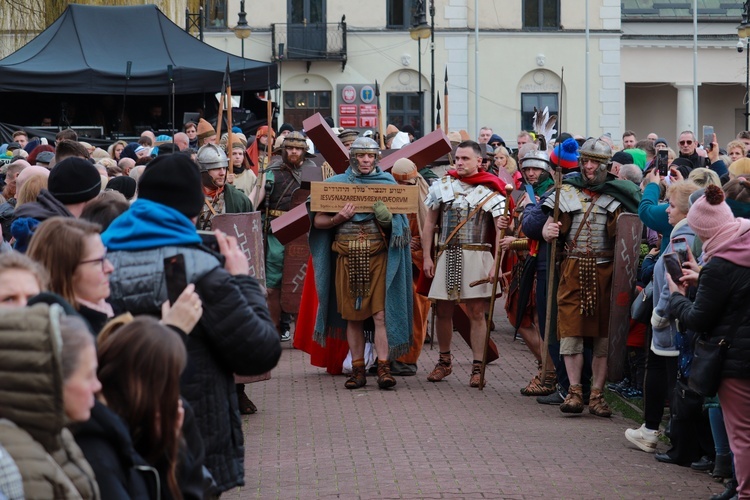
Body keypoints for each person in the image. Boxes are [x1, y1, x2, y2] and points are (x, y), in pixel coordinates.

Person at [101, 153, 281, 494]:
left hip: (119, 422)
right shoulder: (201, 268)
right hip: (190, 428)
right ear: (193, 206)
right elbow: (259, 351)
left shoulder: (98, 258)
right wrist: (243, 280)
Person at [541, 138, 641, 416]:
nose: (587, 166)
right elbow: (547, 225)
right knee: (570, 331)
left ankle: (597, 394)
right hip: (572, 270)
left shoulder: (621, 194)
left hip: (607, 271)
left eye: (593, 162)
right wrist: (547, 232)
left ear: (606, 165)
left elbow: (632, 234)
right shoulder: (565, 191)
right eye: (584, 161)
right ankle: (575, 392)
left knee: (603, 336)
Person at [308, 136, 413, 389]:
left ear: (376, 158)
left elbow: (400, 228)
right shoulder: (334, 185)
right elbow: (318, 222)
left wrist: (387, 219)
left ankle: (384, 368)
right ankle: (358, 370)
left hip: (377, 257)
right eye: (361, 156)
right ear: (353, 157)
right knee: (353, 317)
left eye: (370, 156)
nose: (366, 160)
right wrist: (338, 218)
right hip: (346, 258)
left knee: (380, 315)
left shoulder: (387, 183)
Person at [667, 184, 750, 498]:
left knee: (741, 434)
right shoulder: (742, 243)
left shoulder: (720, 265)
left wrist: (677, 299)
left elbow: (698, 319)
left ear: (703, 231)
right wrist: (703, 276)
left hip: (736, 360)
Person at [76, 313, 209, 500]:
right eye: (170, 383)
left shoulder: (149, 423)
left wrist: (168, 445)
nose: (173, 395)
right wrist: (169, 448)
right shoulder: (100, 448)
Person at [422, 140, 507, 387]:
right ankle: (444, 362)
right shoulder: (442, 186)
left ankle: (478, 367)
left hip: (478, 254)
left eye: (465, 158)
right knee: (443, 310)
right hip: (447, 254)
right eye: (457, 158)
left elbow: (500, 230)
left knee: (477, 312)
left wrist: (497, 264)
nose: (459, 162)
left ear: (479, 161)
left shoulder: (493, 189)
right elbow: (430, 224)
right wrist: (428, 256)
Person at [0, 307, 100, 499]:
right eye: (88, 376)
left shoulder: (58, 435)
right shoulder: (20, 465)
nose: (97, 385)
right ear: (53, 381)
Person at [498, 150, 556, 396]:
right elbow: (519, 227)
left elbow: (544, 237)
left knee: (540, 321)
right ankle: (545, 368)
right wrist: (507, 225)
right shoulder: (522, 193)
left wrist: (516, 242)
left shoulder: (552, 194)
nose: (531, 173)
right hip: (523, 265)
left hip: (540, 263)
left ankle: (548, 373)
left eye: (537, 169)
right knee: (518, 317)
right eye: (528, 168)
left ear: (546, 170)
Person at [255, 132, 318, 342]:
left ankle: (303, 333)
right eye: (290, 148)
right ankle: (273, 330)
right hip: (277, 234)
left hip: (304, 234)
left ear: (304, 152)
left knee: (301, 283)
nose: (293, 152)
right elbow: (254, 202)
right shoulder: (271, 171)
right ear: (283, 151)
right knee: (273, 285)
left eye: (298, 149)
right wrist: (258, 184)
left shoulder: (314, 172)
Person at [27, 217, 114, 334]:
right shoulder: (69, 338)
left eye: (105, 257)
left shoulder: (107, 312)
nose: (110, 268)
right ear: (65, 271)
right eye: (98, 262)